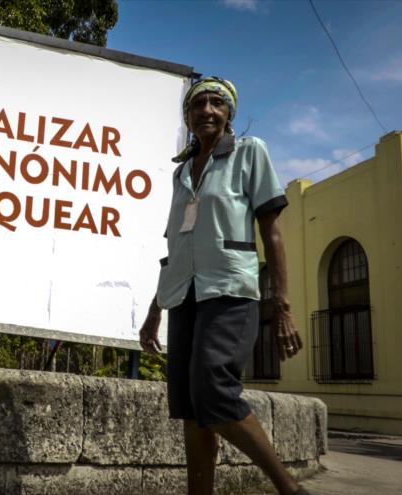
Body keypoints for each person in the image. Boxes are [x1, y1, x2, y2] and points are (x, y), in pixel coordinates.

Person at [139, 77, 310, 495]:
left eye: (217, 103)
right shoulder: (181, 174)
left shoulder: (249, 153)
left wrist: (282, 305)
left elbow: (272, 232)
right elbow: (174, 249)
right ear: (188, 115)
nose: (208, 111)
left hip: (230, 291)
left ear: (229, 113)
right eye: (199, 104)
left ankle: (289, 489)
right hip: (184, 297)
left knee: (214, 392)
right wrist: (153, 311)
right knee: (191, 408)